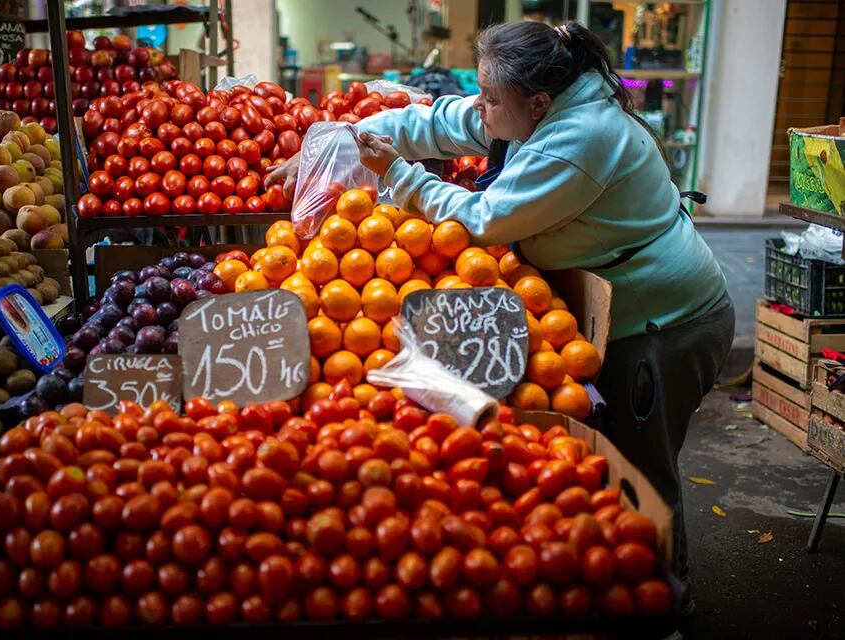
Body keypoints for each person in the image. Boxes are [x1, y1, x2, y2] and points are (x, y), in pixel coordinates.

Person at [268, 20, 735, 604]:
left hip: (667, 322)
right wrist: (342, 138)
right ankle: (612, 583)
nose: (480, 108)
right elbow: (441, 121)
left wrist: (399, 174)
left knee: (641, 466)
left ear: (537, 102)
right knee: (606, 459)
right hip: (615, 307)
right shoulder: (532, 107)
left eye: (491, 98)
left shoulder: (583, 139)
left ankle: (665, 596)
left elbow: (486, 219)